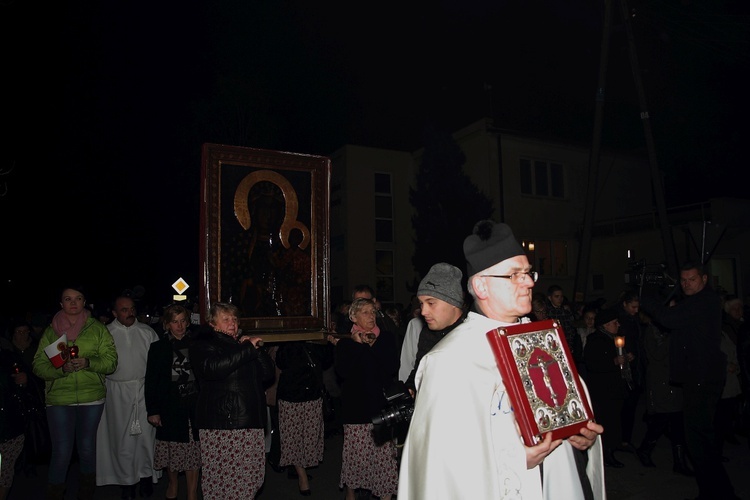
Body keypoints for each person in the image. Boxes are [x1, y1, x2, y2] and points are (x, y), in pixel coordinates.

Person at [398, 220, 604, 499]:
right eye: (515, 275)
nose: (529, 282)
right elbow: (441, 471)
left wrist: (582, 436)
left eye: (529, 273)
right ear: (481, 286)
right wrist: (516, 463)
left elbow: (567, 411)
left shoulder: (540, 341)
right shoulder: (448, 361)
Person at [640, 262, 739, 499]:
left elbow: (667, 318)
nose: (686, 284)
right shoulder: (698, 302)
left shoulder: (704, 301)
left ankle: (721, 494)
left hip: (702, 379)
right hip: (699, 377)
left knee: (699, 441)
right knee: (699, 441)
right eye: (683, 280)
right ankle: (713, 492)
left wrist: (646, 296)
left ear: (704, 278)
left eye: (691, 279)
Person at [33, 284, 118, 500]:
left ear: (84, 302)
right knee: (61, 452)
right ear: (61, 303)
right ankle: (55, 493)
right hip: (59, 399)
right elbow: (38, 366)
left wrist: (89, 362)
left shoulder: (98, 328)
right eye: (68, 299)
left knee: (87, 449)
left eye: (78, 298)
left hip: (91, 398)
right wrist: (61, 370)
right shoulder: (51, 331)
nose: (73, 303)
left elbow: (111, 363)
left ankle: (86, 492)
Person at [189, 302, 275, 500]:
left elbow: (267, 374)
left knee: (250, 477)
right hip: (223, 423)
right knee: (225, 480)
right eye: (226, 319)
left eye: (235, 319)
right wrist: (246, 349)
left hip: (249, 420)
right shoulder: (203, 342)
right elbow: (213, 368)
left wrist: (257, 351)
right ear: (212, 323)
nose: (232, 323)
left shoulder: (240, 344)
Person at [327, 297, 399, 500]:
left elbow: (392, 367)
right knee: (356, 461)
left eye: (373, 312)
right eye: (366, 312)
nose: (371, 316)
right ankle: (351, 494)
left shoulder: (384, 338)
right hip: (356, 411)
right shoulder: (346, 344)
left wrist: (372, 344)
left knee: (384, 462)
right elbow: (343, 371)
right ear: (353, 317)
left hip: (381, 409)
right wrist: (359, 345)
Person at [96, 295, 160, 499]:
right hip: (117, 393)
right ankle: (127, 482)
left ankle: (146, 477)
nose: (130, 312)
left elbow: (158, 364)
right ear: (114, 313)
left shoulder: (147, 332)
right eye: (124, 310)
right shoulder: (105, 334)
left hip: (143, 391)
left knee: (146, 438)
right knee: (122, 440)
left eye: (132, 308)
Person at [144, 303, 201, 500]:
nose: (180, 326)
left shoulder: (197, 344)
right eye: (175, 322)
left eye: (183, 320)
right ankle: (174, 483)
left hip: (194, 404)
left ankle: (192, 492)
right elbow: (152, 381)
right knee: (172, 450)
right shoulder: (158, 348)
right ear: (167, 324)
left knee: (194, 450)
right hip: (170, 405)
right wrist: (153, 410)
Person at [635, 309, 693, 475]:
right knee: (663, 418)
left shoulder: (667, 333)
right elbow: (657, 355)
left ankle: (679, 461)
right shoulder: (652, 333)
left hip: (674, 381)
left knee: (676, 420)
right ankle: (645, 449)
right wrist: (671, 339)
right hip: (661, 382)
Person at [274, 340, 333, 496]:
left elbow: (327, 361)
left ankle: (300, 467)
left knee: (310, 438)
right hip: (291, 395)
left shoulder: (315, 341)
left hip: (312, 393)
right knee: (292, 438)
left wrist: (325, 342)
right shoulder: (290, 343)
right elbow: (282, 361)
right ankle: (302, 476)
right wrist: (292, 341)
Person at [403, 262, 468, 396]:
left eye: (431, 303)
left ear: (453, 302)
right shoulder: (427, 333)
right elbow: (419, 372)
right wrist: (409, 389)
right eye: (421, 304)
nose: (423, 311)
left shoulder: (472, 334)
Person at [582, 307, 630, 468]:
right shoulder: (595, 340)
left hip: (614, 388)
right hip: (603, 390)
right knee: (606, 421)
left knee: (614, 420)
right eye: (614, 323)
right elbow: (593, 363)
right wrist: (614, 362)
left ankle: (613, 447)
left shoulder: (613, 338)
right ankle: (606, 453)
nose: (617, 325)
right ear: (605, 325)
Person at [0, 340, 31, 500]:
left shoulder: (8, 359)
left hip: (9, 427)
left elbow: (26, 387)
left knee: (5, 470)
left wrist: (24, 381)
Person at [615, 290, 644, 454]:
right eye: (633, 307)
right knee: (625, 407)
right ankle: (622, 439)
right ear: (625, 305)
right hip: (626, 369)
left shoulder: (634, 320)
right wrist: (625, 353)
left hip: (635, 367)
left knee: (631, 406)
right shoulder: (620, 321)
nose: (636, 310)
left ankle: (626, 438)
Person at [547, 284, 584, 370]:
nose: (560, 299)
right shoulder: (548, 312)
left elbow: (571, 328)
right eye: (557, 296)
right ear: (550, 298)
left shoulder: (566, 311)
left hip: (568, 346)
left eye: (561, 296)